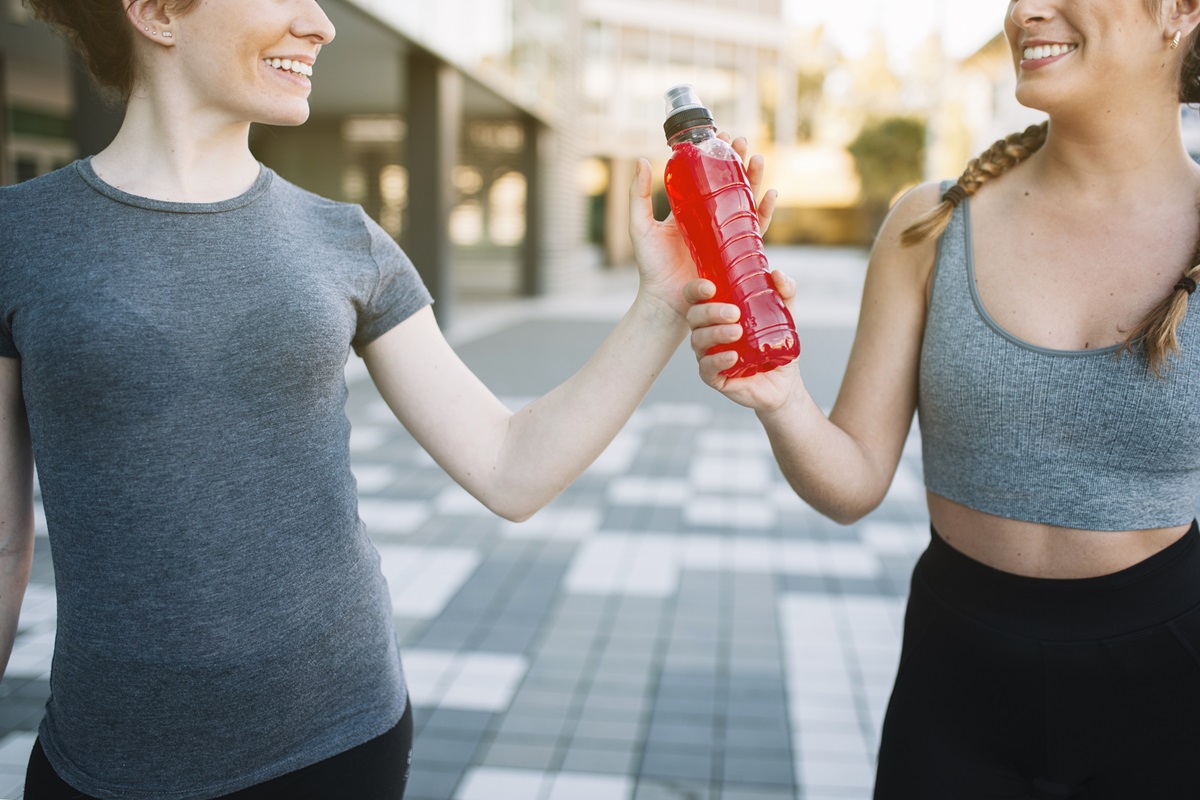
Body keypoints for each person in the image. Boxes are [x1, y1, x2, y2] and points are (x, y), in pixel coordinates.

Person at [0, 0, 773, 797]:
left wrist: (661, 302)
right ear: (158, 11)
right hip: (103, 758)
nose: (321, 23)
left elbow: (511, 467)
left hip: (339, 739)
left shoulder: (346, 239)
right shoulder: (17, 237)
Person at [686, 0, 1200, 796]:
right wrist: (780, 399)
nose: (1026, 10)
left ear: (1181, 10)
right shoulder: (929, 224)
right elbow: (852, 483)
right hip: (956, 680)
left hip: (1173, 686)